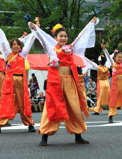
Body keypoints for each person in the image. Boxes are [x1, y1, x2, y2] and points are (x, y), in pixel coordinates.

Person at [30, 16, 98, 146]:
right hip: (56, 82)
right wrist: (35, 29)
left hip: (70, 82)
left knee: (74, 108)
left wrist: (90, 24)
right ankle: (44, 136)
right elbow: (43, 39)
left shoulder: (70, 48)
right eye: (60, 36)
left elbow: (81, 37)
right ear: (55, 38)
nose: (63, 38)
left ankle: (78, 135)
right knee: (51, 108)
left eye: (65, 36)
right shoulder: (51, 50)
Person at [0, 18, 36, 134]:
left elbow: (30, 41)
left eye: (18, 45)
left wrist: (35, 30)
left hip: (21, 82)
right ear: (11, 47)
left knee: (23, 102)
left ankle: (29, 124)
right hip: (10, 82)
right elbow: (2, 41)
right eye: (14, 45)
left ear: (21, 47)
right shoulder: (7, 54)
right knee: (6, 102)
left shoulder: (23, 54)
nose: (16, 46)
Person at [85, 51, 110, 115]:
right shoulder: (107, 68)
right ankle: (112, 108)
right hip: (107, 83)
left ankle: (98, 110)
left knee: (100, 97)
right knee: (108, 96)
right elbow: (110, 59)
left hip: (101, 83)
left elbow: (92, 63)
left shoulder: (98, 68)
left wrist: (85, 58)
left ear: (99, 62)